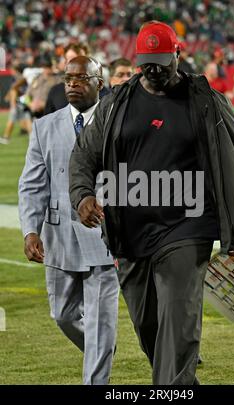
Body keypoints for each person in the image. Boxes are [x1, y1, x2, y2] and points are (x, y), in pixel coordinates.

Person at [69, 21, 234, 385]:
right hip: (129, 232)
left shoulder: (206, 102)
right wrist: (83, 195)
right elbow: (83, 156)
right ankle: (179, 384)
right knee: (149, 326)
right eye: (146, 62)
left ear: (178, 52)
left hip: (188, 227)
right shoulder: (116, 104)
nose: (152, 69)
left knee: (179, 316)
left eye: (160, 60)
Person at [18, 56, 119, 385]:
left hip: (105, 235)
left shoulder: (116, 122)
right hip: (59, 238)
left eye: (81, 79)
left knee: (101, 322)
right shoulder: (44, 127)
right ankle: (100, 348)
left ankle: (96, 378)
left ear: (99, 84)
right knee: (62, 315)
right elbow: (33, 185)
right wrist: (31, 230)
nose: (72, 84)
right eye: (68, 79)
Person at [44, 43, 89, 114]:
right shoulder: (55, 91)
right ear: (65, 63)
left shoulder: (99, 91)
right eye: (72, 59)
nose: (76, 63)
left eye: (80, 59)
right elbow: (47, 121)